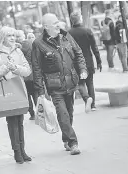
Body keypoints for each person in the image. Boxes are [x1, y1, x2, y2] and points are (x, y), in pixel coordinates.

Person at [32, 13, 88, 155]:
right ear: (46, 27)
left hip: (71, 82)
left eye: (58, 21)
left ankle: (66, 138)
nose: (58, 24)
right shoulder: (38, 44)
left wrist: (83, 69)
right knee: (62, 113)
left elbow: (79, 53)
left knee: (69, 113)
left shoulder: (66, 36)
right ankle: (73, 143)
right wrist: (40, 92)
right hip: (54, 87)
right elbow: (37, 69)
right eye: (55, 23)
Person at [0, 26, 32, 164]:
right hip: (6, 91)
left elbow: (27, 71)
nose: (12, 38)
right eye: (9, 36)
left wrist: (15, 68)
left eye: (13, 35)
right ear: (2, 37)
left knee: (20, 121)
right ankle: (17, 152)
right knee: (12, 122)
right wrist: (6, 67)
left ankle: (23, 150)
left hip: (19, 89)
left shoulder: (18, 50)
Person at [69, 11, 102, 111]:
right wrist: (99, 61)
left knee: (81, 83)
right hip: (88, 60)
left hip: (76, 63)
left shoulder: (69, 34)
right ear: (80, 19)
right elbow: (94, 47)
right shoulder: (87, 31)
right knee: (90, 83)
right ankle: (93, 105)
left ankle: (87, 99)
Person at [16, 30, 37, 120]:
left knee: (27, 95)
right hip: (32, 72)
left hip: (22, 75)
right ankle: (41, 112)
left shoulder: (16, 48)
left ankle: (32, 114)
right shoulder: (30, 43)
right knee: (35, 93)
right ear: (23, 36)